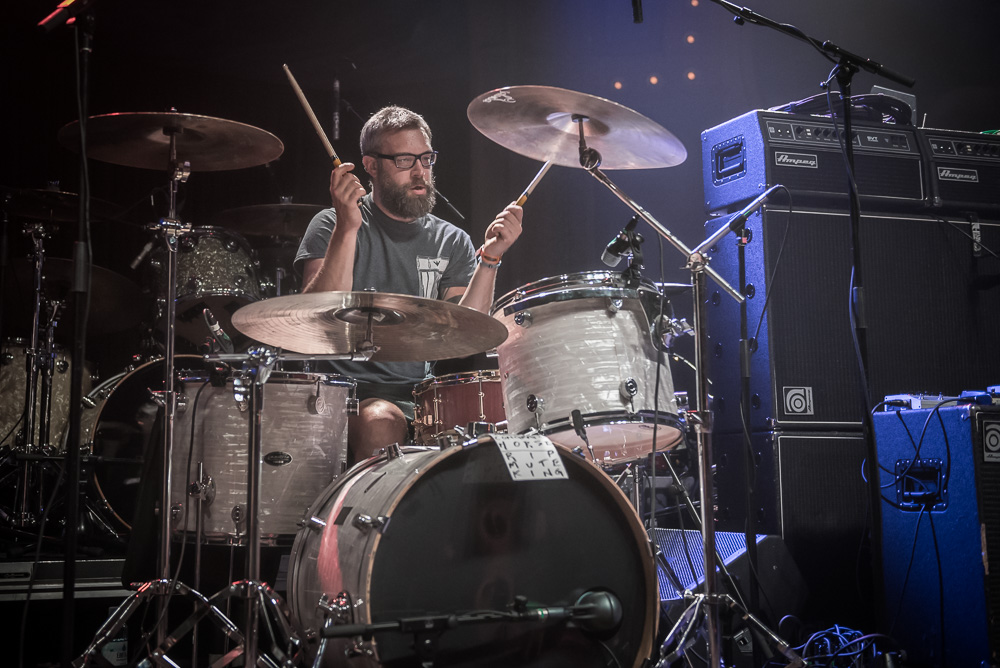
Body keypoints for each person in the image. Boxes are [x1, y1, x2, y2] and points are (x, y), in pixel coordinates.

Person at [294, 105, 522, 463]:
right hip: (344, 396)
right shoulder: (330, 224)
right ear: (371, 166)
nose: (420, 172)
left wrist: (490, 259)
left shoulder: (453, 240)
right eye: (404, 161)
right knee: (382, 421)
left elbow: (464, 338)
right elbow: (317, 316)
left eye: (426, 159)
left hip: (424, 397)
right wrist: (348, 227)